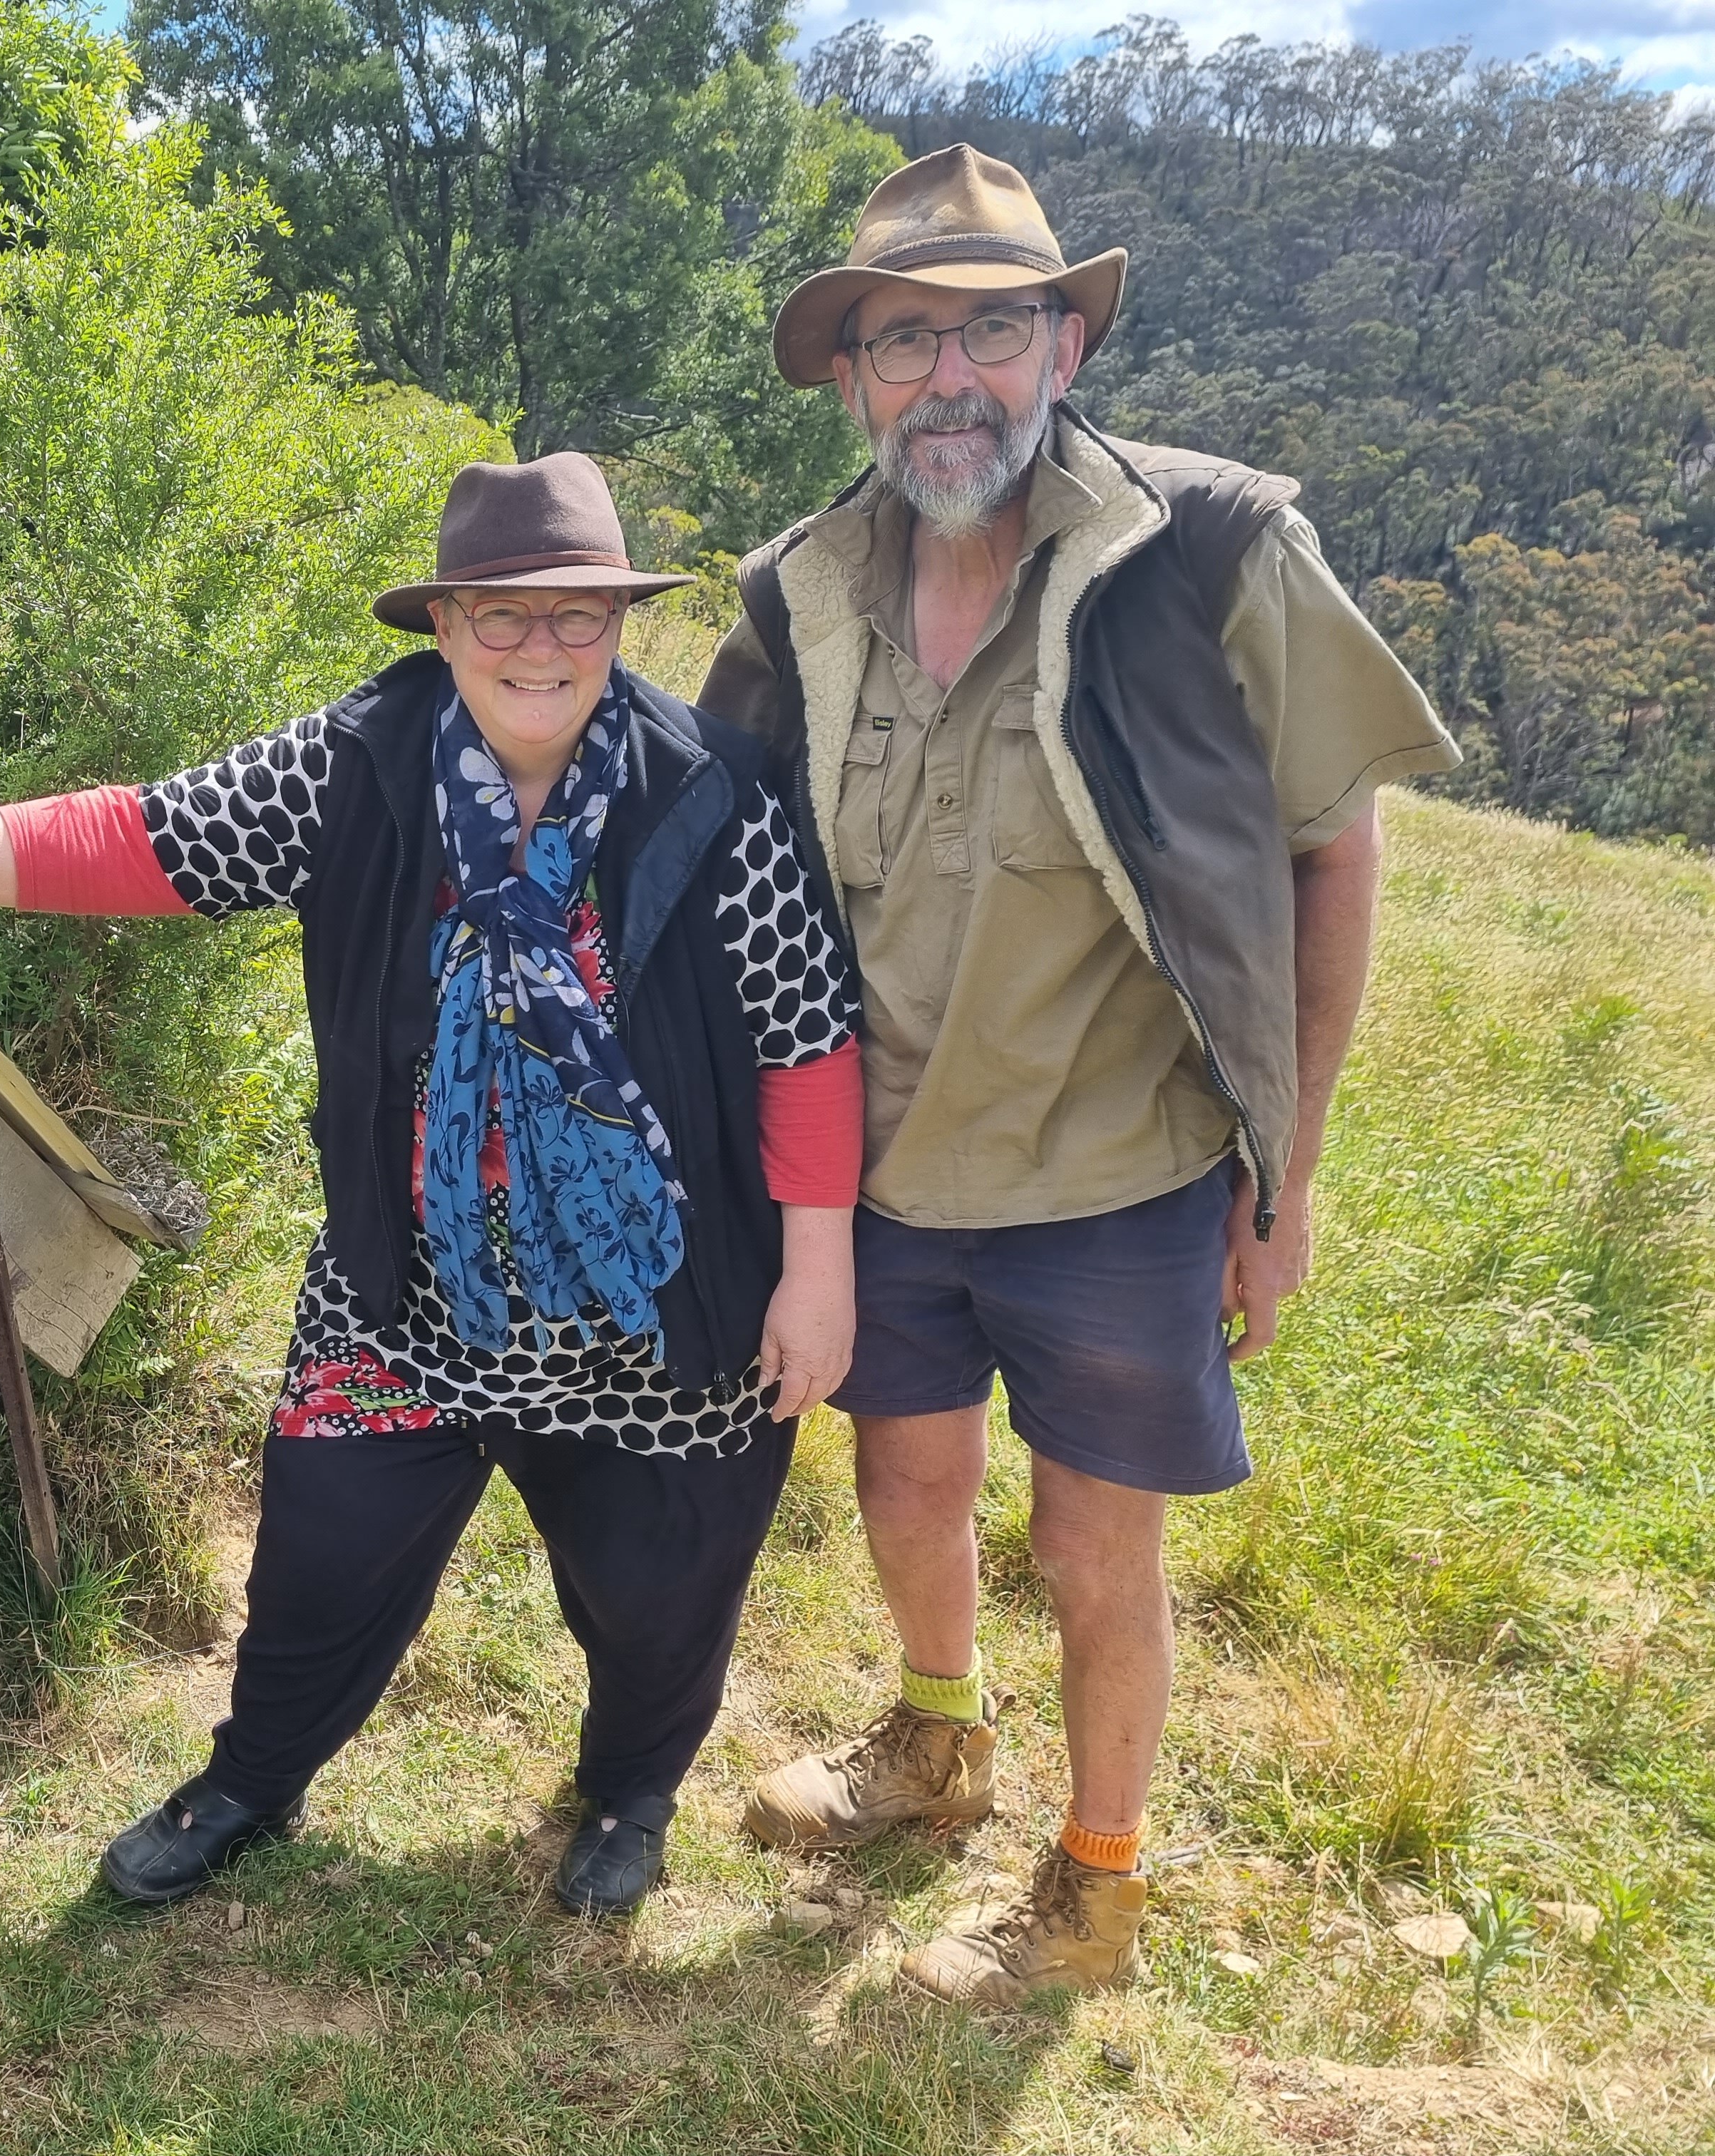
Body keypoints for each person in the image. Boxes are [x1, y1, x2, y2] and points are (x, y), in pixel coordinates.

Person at [0, 452, 865, 1916]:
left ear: (619, 624)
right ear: (442, 627)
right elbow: (136, 839)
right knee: (321, 1551)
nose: (538, 646)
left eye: (574, 613)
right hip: (409, 1294)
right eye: (497, 613)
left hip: (657, 1302)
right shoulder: (358, 767)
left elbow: (807, 1039)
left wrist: (818, 1266)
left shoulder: (718, 793)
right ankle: (253, 1779)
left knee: (662, 1587)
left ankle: (631, 1793)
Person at [697, 144, 1460, 2006]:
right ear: (850, 376)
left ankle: (1095, 1890)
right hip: (878, 1178)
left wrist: (1282, 1180)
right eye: (903, 341)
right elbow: (709, 858)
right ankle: (936, 1747)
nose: (951, 379)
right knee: (905, 1484)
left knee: (1096, 1548)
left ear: (1066, 346)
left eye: (997, 330)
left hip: (1119, 1176)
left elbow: (1328, 848)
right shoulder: (800, 589)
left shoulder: (1210, 553)